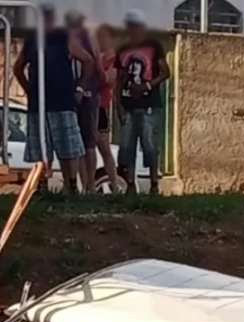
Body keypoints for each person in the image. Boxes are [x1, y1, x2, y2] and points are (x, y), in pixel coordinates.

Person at [13, 2, 92, 193]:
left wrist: (80, 89)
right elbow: (18, 67)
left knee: (68, 147)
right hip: (38, 104)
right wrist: (29, 89)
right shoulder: (32, 39)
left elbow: (88, 60)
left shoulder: (63, 36)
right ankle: (41, 184)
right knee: (40, 146)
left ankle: (71, 184)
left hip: (63, 100)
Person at [115, 9, 170, 195]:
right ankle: (130, 185)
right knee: (127, 146)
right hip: (129, 106)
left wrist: (147, 86)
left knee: (150, 145)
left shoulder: (153, 46)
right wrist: (119, 105)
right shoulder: (122, 51)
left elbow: (165, 72)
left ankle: (154, 185)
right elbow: (119, 79)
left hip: (149, 106)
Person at [66, 11, 100, 193]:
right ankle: (84, 183)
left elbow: (96, 62)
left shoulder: (88, 36)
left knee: (87, 143)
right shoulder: (64, 37)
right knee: (78, 144)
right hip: (72, 97)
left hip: (87, 95)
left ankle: (91, 184)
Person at [95, 24, 120, 193]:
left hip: (101, 106)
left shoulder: (113, 59)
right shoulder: (95, 55)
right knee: (86, 148)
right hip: (89, 106)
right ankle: (88, 186)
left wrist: (96, 66)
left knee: (104, 148)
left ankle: (115, 184)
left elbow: (109, 80)